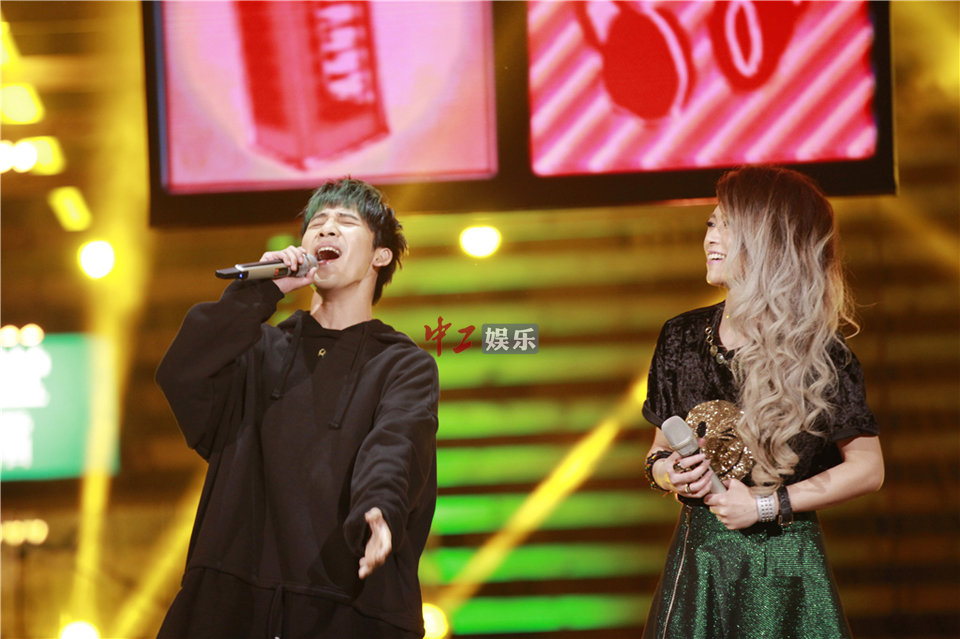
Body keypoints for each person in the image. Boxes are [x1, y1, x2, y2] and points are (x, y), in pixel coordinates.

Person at [156, 178, 439, 638]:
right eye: (317, 223)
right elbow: (181, 373)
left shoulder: (401, 364)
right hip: (233, 608)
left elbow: (396, 444)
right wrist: (260, 293)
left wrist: (380, 509)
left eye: (346, 222)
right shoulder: (258, 351)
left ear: (380, 255)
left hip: (343, 611)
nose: (326, 229)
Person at [641, 166, 884, 639]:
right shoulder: (680, 337)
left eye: (728, 226)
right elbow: (657, 453)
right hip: (701, 563)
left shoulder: (821, 354)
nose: (711, 237)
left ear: (771, 240)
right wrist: (670, 473)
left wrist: (767, 505)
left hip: (786, 566)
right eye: (711, 223)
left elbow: (868, 469)